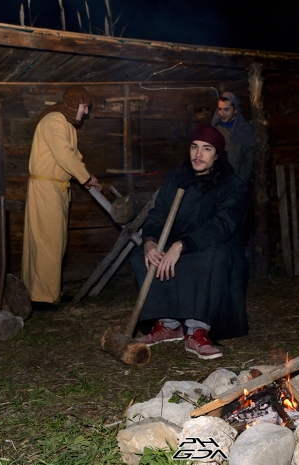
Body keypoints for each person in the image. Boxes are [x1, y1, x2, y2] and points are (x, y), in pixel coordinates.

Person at [130, 124, 250, 359]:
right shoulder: (177, 178)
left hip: (212, 246)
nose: (198, 154)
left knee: (211, 259)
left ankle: (197, 329)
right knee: (140, 256)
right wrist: (150, 242)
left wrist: (181, 245)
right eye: (194, 147)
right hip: (178, 245)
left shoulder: (233, 186)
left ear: (217, 154)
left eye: (206, 149)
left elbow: (220, 227)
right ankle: (168, 324)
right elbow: (158, 213)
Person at [21, 86, 102, 312]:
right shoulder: (54, 121)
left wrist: (89, 178)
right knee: (48, 241)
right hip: (46, 187)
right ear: (75, 104)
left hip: (57, 188)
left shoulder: (65, 125)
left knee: (55, 241)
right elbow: (64, 155)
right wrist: (85, 179)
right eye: (85, 107)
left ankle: (50, 292)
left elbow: (74, 156)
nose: (86, 112)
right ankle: (41, 298)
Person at [211, 92, 256, 184]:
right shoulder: (215, 131)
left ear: (235, 110)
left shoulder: (245, 131)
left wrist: (239, 183)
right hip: (216, 184)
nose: (221, 113)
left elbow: (249, 162)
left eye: (226, 110)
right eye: (220, 109)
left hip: (237, 184)